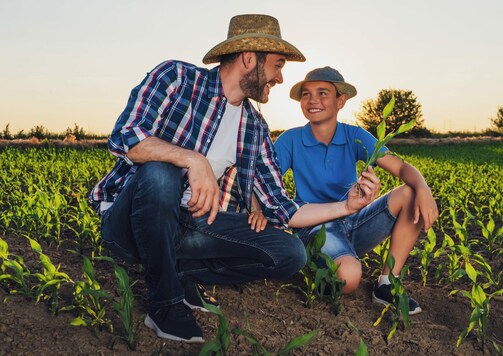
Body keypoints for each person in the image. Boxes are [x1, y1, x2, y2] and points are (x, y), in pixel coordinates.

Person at [88, 16, 381, 343]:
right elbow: (125, 137)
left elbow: (283, 207)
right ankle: (166, 303)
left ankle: (178, 273)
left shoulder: (254, 127)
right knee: (161, 172)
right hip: (128, 223)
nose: (281, 79)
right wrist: (190, 159)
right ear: (248, 59)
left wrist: (347, 205)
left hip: (189, 226)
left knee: (290, 253)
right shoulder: (177, 78)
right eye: (277, 65)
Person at [273, 66, 439, 315]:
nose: (312, 100)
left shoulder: (355, 135)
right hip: (316, 228)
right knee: (349, 278)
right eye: (306, 94)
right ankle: (317, 265)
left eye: (322, 93)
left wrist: (423, 187)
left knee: (410, 192)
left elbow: (401, 168)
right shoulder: (290, 140)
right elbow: (267, 185)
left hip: (355, 220)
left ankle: (387, 284)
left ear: (341, 101)